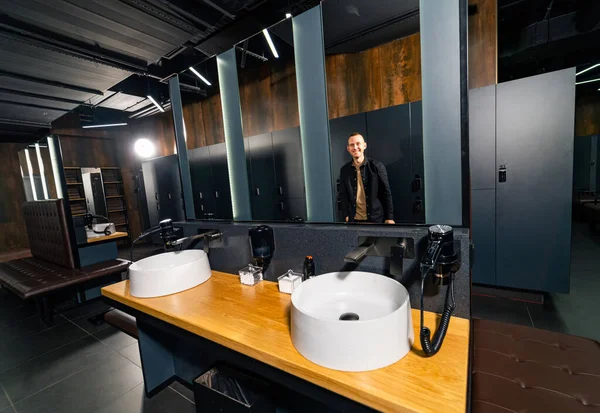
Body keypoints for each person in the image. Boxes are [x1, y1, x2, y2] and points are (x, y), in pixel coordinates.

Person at [338, 132, 395, 224]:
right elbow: (343, 195)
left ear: (364, 145)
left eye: (358, 143)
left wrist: (389, 217)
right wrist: (346, 215)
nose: (355, 147)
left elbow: (386, 193)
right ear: (348, 148)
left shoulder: (377, 166)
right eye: (352, 145)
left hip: (375, 220)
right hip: (354, 221)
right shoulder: (344, 170)